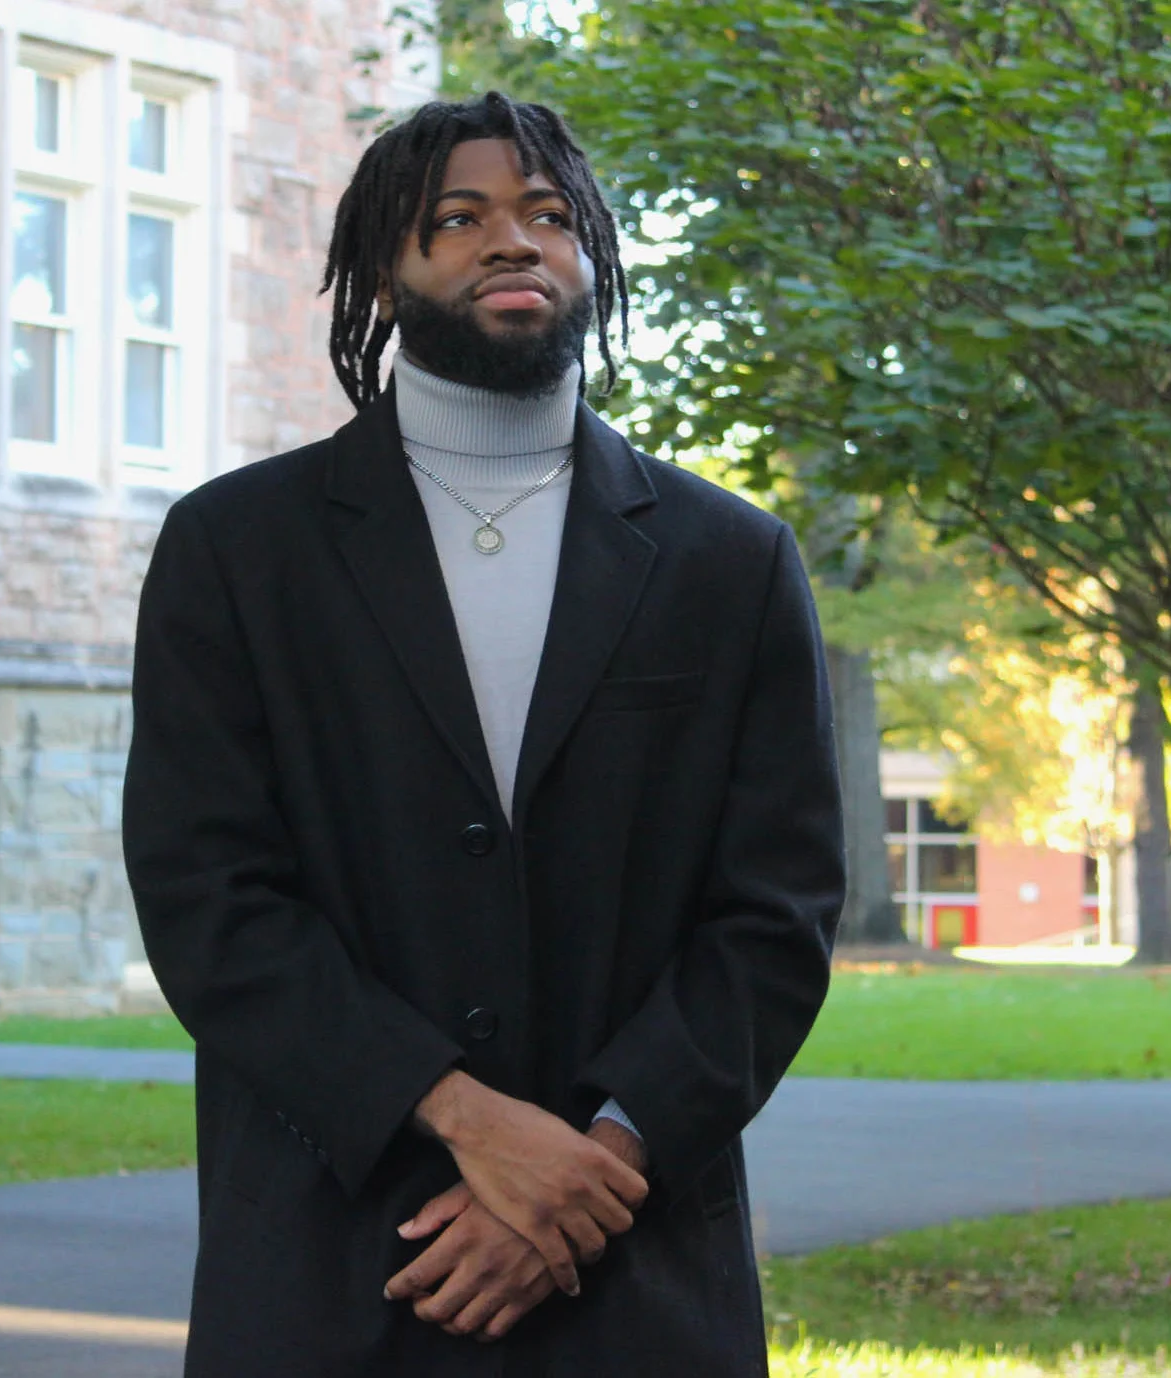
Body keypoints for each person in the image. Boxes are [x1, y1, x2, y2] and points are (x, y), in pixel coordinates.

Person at [123, 91, 844, 1377]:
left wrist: (595, 1163)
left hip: (636, 1269)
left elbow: (774, 915)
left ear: (593, 257)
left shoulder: (730, 561)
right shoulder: (237, 550)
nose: (513, 242)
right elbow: (208, 897)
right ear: (384, 275)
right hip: (331, 1256)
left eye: (548, 215)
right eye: (457, 219)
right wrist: (467, 1121)